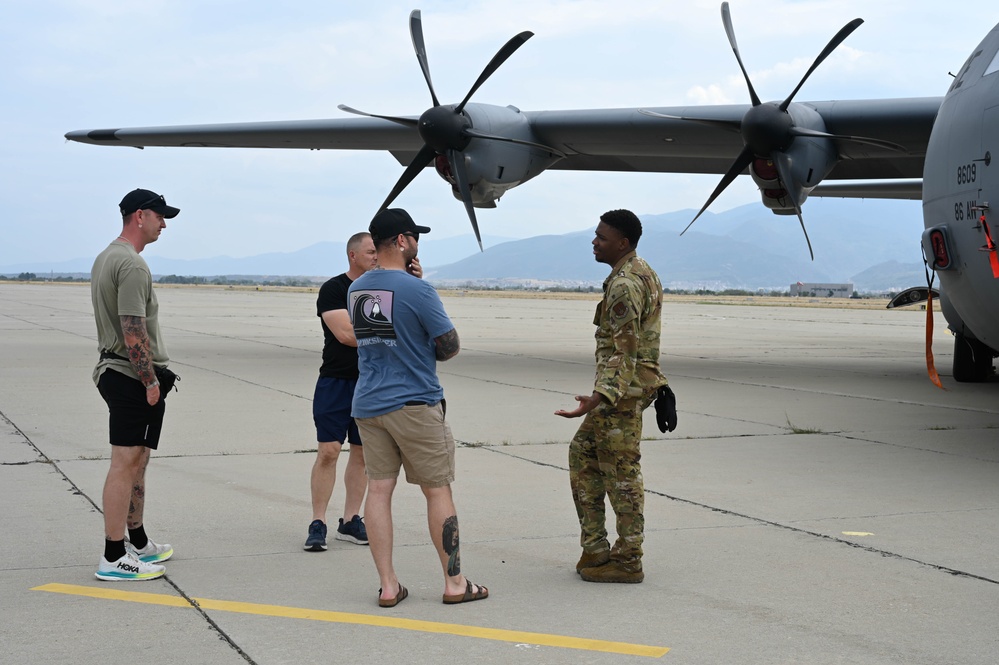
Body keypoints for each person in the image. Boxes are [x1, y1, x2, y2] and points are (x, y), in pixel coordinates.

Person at [348, 208, 488, 608]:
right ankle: (455, 582)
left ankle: (389, 585)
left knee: (378, 490)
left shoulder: (357, 289)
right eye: (416, 238)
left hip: (369, 403)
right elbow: (449, 346)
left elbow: (384, 332)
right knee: (436, 490)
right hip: (413, 403)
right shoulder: (419, 291)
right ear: (404, 241)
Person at [555, 209, 668, 584]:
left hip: (620, 396)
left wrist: (598, 397)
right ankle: (596, 548)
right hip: (624, 390)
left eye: (602, 237)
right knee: (583, 454)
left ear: (622, 243)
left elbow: (627, 348)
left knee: (622, 475)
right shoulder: (641, 271)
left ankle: (627, 558)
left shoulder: (624, 284)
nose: (594, 241)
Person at [91, 188, 180, 581]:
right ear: (139, 216)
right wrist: (149, 381)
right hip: (130, 375)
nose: (163, 224)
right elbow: (132, 330)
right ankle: (113, 556)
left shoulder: (109, 256)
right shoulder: (132, 265)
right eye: (160, 216)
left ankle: (137, 542)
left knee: (138, 461)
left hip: (120, 373)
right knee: (125, 464)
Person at [304, 232, 391, 550]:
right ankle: (318, 522)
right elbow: (345, 334)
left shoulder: (383, 289)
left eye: (378, 252)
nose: (376, 257)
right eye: (370, 252)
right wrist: (386, 331)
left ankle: (351, 520)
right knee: (328, 452)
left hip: (370, 382)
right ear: (353, 255)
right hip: (336, 382)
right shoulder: (334, 289)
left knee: (362, 452)